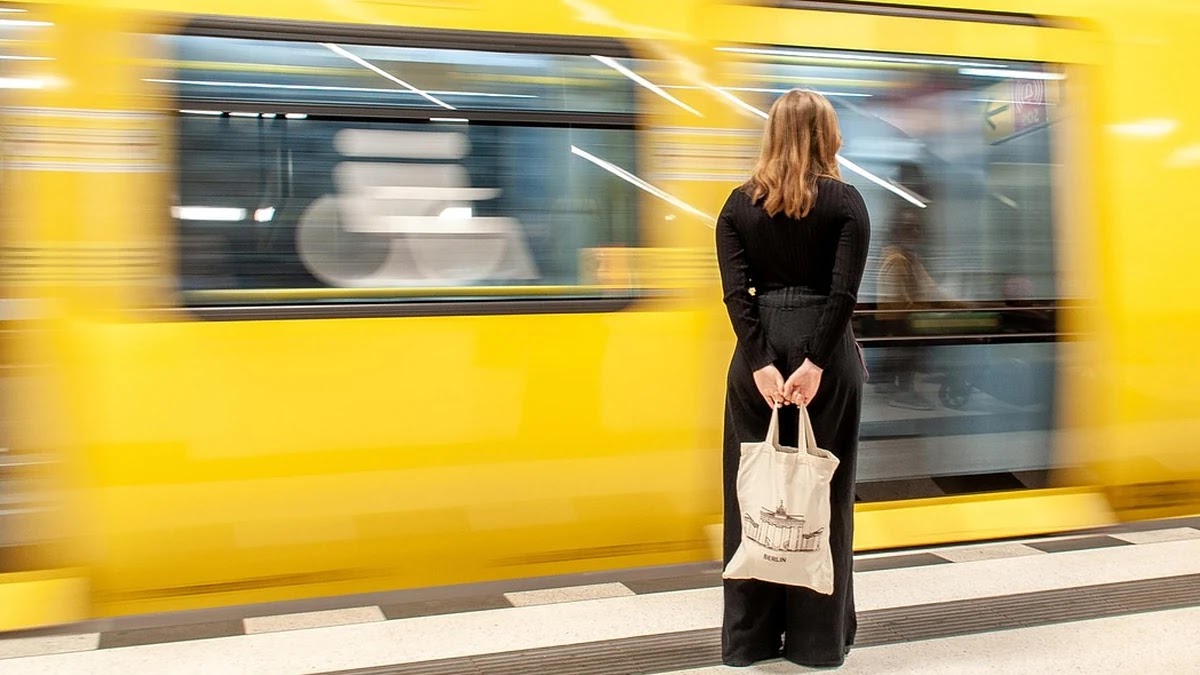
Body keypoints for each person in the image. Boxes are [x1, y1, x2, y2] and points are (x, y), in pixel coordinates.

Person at [715, 89, 870, 668]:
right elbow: (844, 294)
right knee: (824, 496)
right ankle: (815, 643)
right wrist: (815, 363)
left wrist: (760, 362)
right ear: (829, 135)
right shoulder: (846, 203)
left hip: (755, 360)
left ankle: (749, 641)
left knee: (751, 495)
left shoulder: (737, 206)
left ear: (772, 134)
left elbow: (736, 294)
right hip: (825, 356)